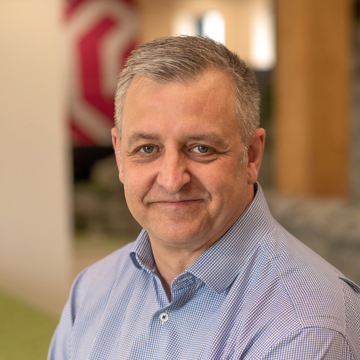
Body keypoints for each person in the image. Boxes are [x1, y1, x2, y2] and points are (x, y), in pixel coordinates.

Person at [48, 36, 360, 360]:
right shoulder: (90, 291)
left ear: (251, 156)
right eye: (147, 149)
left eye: (201, 149)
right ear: (119, 156)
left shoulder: (305, 327)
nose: (171, 180)